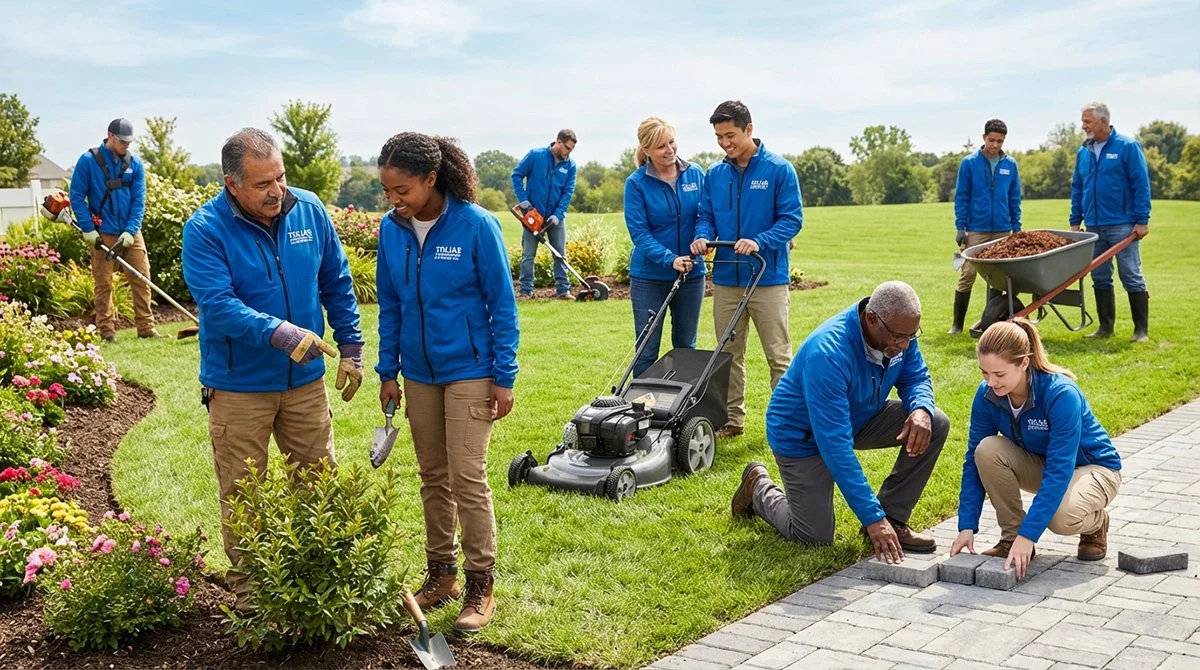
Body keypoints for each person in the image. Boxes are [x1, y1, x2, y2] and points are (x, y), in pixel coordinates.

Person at [181, 128, 364, 608]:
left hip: (305, 385)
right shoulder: (205, 229)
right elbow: (218, 306)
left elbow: (337, 280)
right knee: (245, 497)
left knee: (317, 485)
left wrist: (351, 347)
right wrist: (283, 334)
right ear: (232, 184)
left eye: (280, 177)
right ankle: (252, 599)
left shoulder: (308, 209)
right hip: (239, 388)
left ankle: (322, 587)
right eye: (262, 183)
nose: (276, 191)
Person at [376, 132, 519, 634]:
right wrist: (387, 371)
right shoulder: (391, 231)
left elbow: (502, 304)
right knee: (432, 475)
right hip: (417, 373)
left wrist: (504, 377)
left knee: (467, 477)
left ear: (431, 179)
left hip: (471, 371)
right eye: (387, 190)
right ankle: (442, 574)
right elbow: (390, 304)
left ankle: (481, 583)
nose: (393, 200)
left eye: (402, 190)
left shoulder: (477, 226)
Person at [732, 281, 950, 563]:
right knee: (813, 536)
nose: (905, 345)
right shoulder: (828, 354)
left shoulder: (899, 333)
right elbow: (835, 445)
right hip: (803, 435)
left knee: (935, 422)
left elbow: (916, 377)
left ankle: (894, 518)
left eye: (911, 336)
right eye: (899, 337)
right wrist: (873, 518)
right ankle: (758, 487)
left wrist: (921, 408)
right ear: (872, 319)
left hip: (860, 416)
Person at [951, 319, 1121, 580]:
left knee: (1060, 518)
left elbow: (1059, 469)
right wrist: (966, 526)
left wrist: (1029, 534)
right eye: (984, 373)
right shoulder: (987, 395)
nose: (991, 382)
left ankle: (1096, 524)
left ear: (1024, 363)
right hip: (1044, 464)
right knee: (986, 450)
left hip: (1095, 469)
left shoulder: (1061, 394)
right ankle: (1011, 541)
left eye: (999, 374)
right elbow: (973, 461)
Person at [689, 100, 803, 438]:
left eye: (730, 135)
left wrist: (759, 240)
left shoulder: (778, 170)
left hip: (767, 278)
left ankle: (789, 425)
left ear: (749, 129)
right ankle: (732, 421)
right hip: (726, 279)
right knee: (728, 355)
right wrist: (701, 237)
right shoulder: (716, 174)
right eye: (719, 137)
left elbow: (792, 219)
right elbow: (705, 216)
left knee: (778, 356)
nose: (725, 143)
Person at [623, 117, 706, 376]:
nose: (669, 150)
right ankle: (641, 410)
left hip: (692, 276)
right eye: (661, 146)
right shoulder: (636, 184)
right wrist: (670, 259)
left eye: (671, 142)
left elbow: (706, 216)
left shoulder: (696, 174)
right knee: (647, 350)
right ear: (646, 150)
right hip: (650, 278)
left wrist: (702, 238)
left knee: (686, 346)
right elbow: (640, 233)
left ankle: (680, 410)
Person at [69, 118, 158, 341]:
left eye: (129, 142)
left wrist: (131, 230)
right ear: (110, 136)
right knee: (104, 283)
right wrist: (88, 228)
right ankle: (107, 333)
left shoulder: (135, 164)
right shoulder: (88, 161)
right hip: (102, 232)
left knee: (142, 277)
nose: (126, 145)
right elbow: (77, 196)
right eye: (122, 141)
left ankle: (146, 329)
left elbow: (139, 201)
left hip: (130, 233)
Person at [1070, 102, 1152, 342]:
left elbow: (1141, 185)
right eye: (1083, 121)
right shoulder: (1083, 152)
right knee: (1100, 276)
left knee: (1131, 274)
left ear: (1103, 121)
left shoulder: (1127, 147)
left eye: (1087, 122)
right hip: (1094, 225)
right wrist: (1075, 221)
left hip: (1123, 225)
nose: (1083, 126)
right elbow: (1078, 187)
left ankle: (1140, 331)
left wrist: (1142, 220)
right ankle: (1105, 327)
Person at [950, 119, 1022, 336]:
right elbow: (962, 197)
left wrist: (1016, 228)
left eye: (1000, 141)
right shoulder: (969, 163)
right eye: (992, 140)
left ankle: (989, 323)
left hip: (1002, 229)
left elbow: (1014, 198)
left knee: (997, 278)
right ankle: (957, 325)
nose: (995, 145)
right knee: (967, 274)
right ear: (984, 138)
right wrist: (961, 227)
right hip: (977, 229)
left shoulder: (1010, 165)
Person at [511, 130, 578, 299]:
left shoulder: (570, 166)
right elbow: (516, 175)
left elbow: (568, 193)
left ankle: (563, 291)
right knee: (528, 255)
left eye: (572, 150)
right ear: (558, 142)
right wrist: (524, 201)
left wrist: (558, 214)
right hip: (533, 215)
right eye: (567, 148)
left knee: (560, 254)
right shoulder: (535, 156)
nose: (569, 153)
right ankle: (526, 291)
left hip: (555, 219)